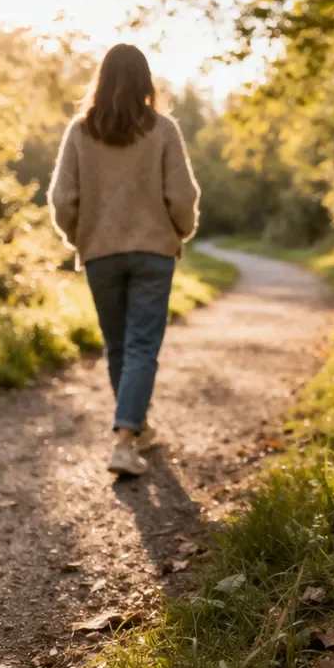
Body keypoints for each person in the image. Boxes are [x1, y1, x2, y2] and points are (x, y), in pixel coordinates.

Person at [48, 43, 200, 477]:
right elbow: (183, 197)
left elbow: (62, 199)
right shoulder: (163, 129)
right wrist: (179, 232)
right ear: (145, 82)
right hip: (154, 252)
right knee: (140, 347)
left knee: (119, 346)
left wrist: (81, 236)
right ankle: (125, 441)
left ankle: (136, 427)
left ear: (102, 79)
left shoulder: (80, 131)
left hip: (100, 253)